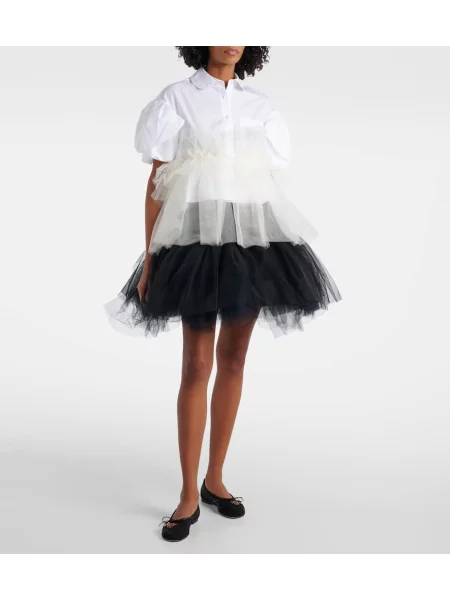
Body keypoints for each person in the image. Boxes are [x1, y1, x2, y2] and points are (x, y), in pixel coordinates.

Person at [104, 46, 342, 542]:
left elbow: (264, 181)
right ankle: (187, 494)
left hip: (252, 245)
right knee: (196, 365)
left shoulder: (260, 106)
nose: (231, 41)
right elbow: (157, 182)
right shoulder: (176, 99)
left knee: (233, 360)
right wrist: (150, 256)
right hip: (194, 245)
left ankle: (214, 480)